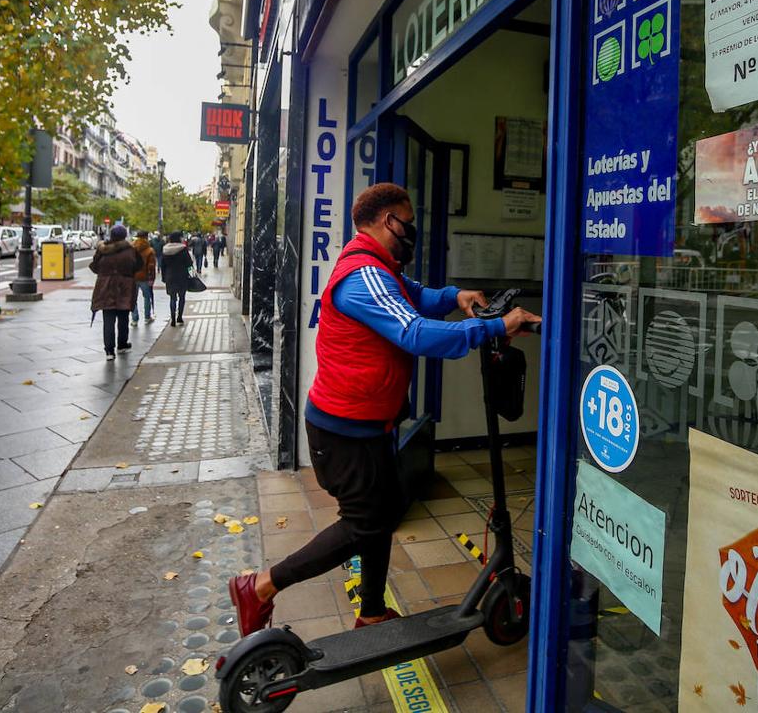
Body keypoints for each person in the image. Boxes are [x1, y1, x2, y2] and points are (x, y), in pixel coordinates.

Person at [228, 183, 540, 636]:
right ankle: (259, 586)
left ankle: (371, 610)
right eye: (407, 222)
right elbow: (415, 333)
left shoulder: (379, 268)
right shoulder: (363, 276)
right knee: (364, 524)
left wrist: (457, 297)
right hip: (342, 431)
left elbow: (416, 296)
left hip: (366, 425)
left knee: (382, 513)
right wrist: (494, 326)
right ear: (387, 220)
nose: (411, 231)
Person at [90, 224, 142, 361]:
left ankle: (109, 351)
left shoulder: (102, 250)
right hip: (124, 287)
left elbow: (94, 267)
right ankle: (122, 344)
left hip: (105, 287)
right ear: (124, 235)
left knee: (108, 319)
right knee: (123, 317)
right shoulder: (130, 250)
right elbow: (138, 265)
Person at [161, 231, 192, 326]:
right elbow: (189, 263)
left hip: (170, 276)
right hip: (182, 276)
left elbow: (163, 265)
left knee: (172, 298)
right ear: (179, 238)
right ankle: (179, 317)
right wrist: (192, 274)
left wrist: (164, 277)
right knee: (182, 297)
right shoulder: (183, 249)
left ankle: (173, 319)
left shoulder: (165, 250)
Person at [131, 230, 157, 325]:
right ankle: (147, 317)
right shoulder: (149, 250)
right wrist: (152, 278)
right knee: (147, 297)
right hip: (145, 277)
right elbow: (151, 266)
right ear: (146, 237)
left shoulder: (132, 248)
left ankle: (134, 319)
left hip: (133, 277)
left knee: (133, 298)